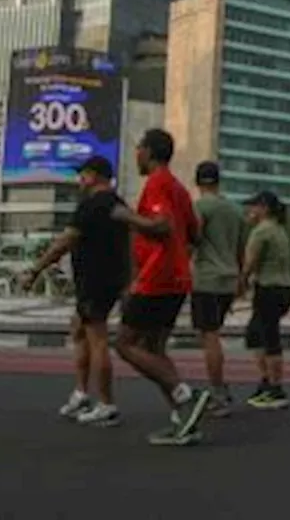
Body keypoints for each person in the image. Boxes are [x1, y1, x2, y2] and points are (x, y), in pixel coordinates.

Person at [115, 128, 209, 446]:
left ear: (150, 152)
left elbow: (163, 225)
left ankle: (186, 396)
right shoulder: (180, 189)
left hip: (157, 278)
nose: (135, 153)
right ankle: (183, 421)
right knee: (154, 350)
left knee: (126, 344)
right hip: (177, 278)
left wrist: (127, 216)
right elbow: (195, 234)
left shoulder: (157, 183)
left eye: (138, 147)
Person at [23, 156, 132, 427]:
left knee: (98, 339)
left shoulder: (91, 205)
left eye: (82, 175)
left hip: (95, 281)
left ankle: (107, 404)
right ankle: (82, 392)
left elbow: (66, 240)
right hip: (109, 279)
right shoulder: (119, 204)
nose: (79, 180)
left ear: (95, 176)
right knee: (79, 329)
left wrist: (35, 269)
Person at [189, 161, 244, 417]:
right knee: (214, 333)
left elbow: (194, 237)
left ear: (198, 182)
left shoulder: (200, 206)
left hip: (207, 278)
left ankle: (218, 391)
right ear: (218, 181)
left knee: (209, 337)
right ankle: (220, 386)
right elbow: (241, 248)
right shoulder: (235, 210)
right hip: (229, 279)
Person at [239, 190, 290, 410]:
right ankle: (266, 381)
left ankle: (276, 388)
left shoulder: (261, 231)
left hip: (269, 289)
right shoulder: (279, 230)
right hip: (284, 289)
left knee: (269, 336)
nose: (249, 211)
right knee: (255, 334)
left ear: (264, 208)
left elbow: (250, 262)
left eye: (253, 207)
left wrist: (240, 283)